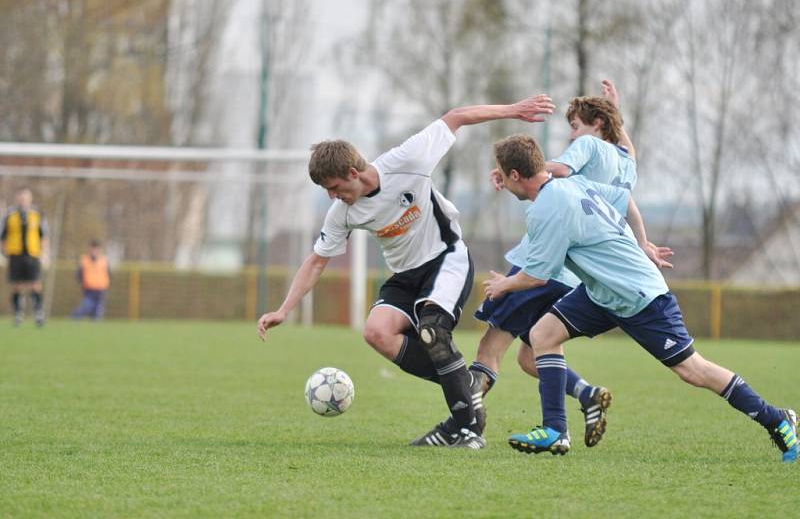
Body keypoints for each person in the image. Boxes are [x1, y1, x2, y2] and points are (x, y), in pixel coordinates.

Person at [257, 94, 556, 448]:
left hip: (447, 258)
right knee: (377, 333)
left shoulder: (408, 160)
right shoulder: (342, 213)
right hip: (405, 275)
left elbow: (456, 116)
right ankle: (466, 388)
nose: (333, 197)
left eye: (335, 188)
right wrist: (284, 309)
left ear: (353, 173)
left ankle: (468, 429)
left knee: (432, 331)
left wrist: (513, 111)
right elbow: (316, 260)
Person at [485, 134, 797, 463]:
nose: (503, 184)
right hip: (602, 293)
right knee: (542, 335)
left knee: (694, 370)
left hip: (640, 296)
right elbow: (625, 199)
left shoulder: (545, 209)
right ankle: (555, 430)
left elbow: (537, 276)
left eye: (504, 178)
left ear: (516, 175)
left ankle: (777, 418)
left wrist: (503, 285)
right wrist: (644, 242)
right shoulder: (573, 183)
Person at [417, 79, 670, 449]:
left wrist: (514, 168)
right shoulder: (626, 160)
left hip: (546, 262)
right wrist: (642, 242)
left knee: (490, 349)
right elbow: (627, 201)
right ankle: (586, 395)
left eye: (576, 125)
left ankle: (464, 426)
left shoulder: (587, 147)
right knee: (531, 354)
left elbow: (558, 170)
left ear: (597, 125)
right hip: (578, 272)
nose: (572, 133)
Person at [1, 187, 49, 327]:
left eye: (26, 197)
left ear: (30, 198)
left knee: (35, 284)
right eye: (21, 197)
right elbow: (2, 236)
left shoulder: (37, 213)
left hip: (33, 253)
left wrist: (45, 253)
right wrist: (3, 252)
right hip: (15, 254)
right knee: (17, 285)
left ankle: (38, 313)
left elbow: (44, 235)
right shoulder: (9, 214)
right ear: (17, 198)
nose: (23, 200)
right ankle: (18, 314)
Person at [72, 239, 110, 321]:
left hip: (101, 289)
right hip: (89, 289)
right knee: (86, 307)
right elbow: (78, 274)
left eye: (96, 249)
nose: (94, 251)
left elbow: (108, 273)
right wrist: (83, 283)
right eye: (93, 249)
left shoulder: (104, 260)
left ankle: (95, 329)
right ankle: (74, 317)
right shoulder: (84, 260)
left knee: (98, 313)